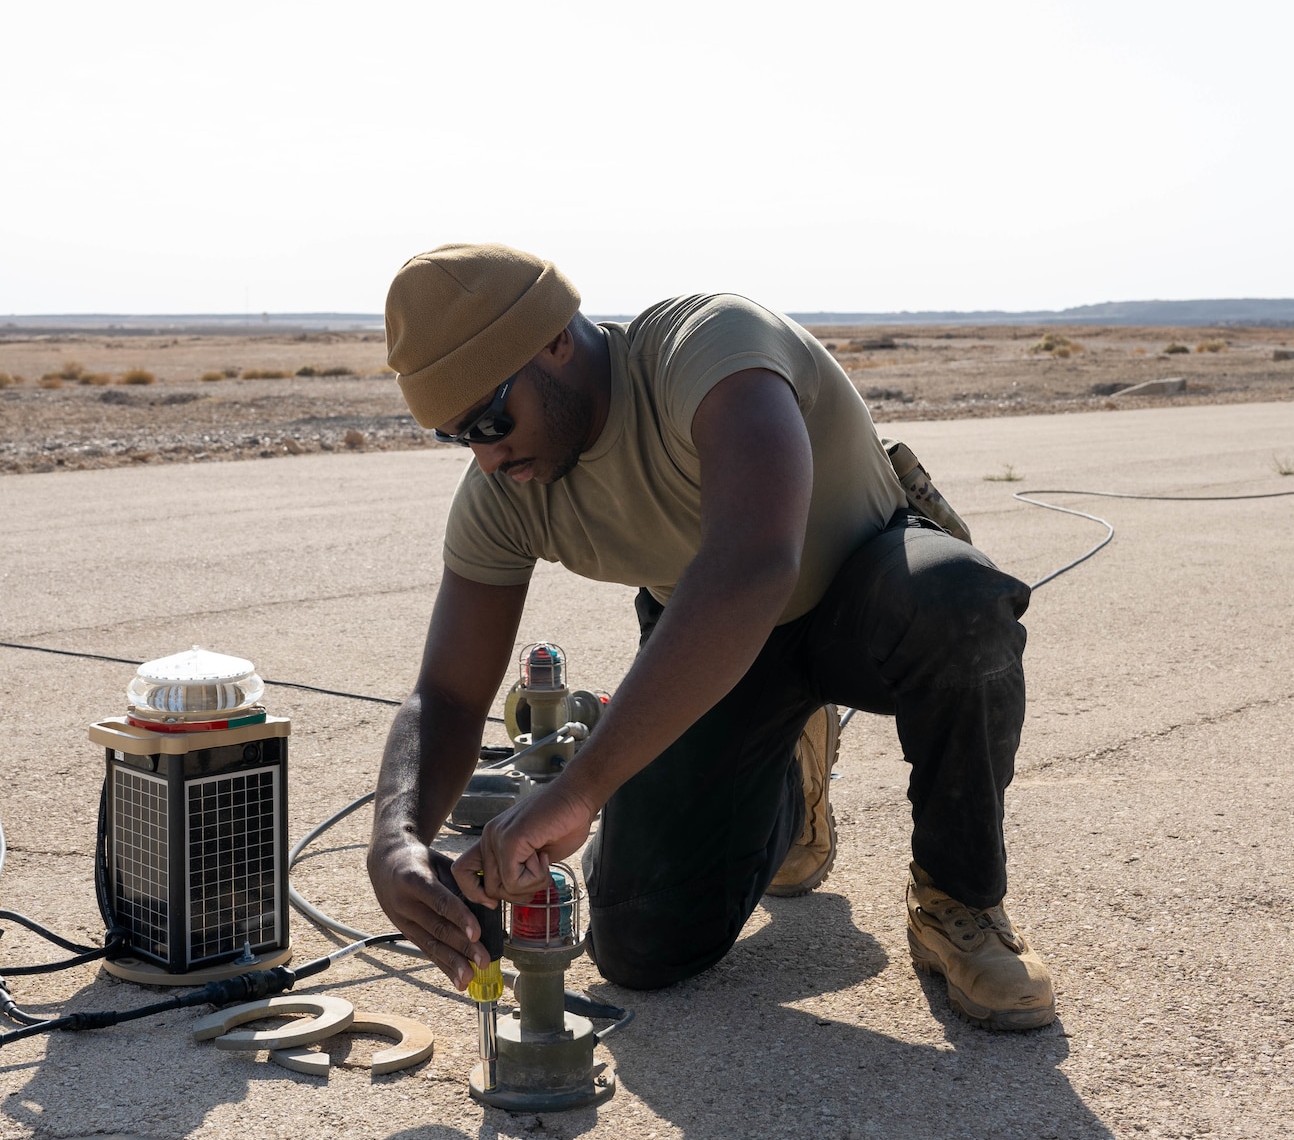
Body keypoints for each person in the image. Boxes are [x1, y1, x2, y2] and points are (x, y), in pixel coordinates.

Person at [363, 243, 1054, 1029]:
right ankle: (787, 776)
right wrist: (396, 837)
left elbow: (752, 564)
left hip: (865, 589)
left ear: (553, 339)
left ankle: (957, 899)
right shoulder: (508, 488)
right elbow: (448, 692)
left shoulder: (709, 349)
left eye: (490, 420)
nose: (487, 459)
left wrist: (579, 786)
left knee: (960, 604)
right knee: (639, 942)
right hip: (722, 654)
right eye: (460, 438)